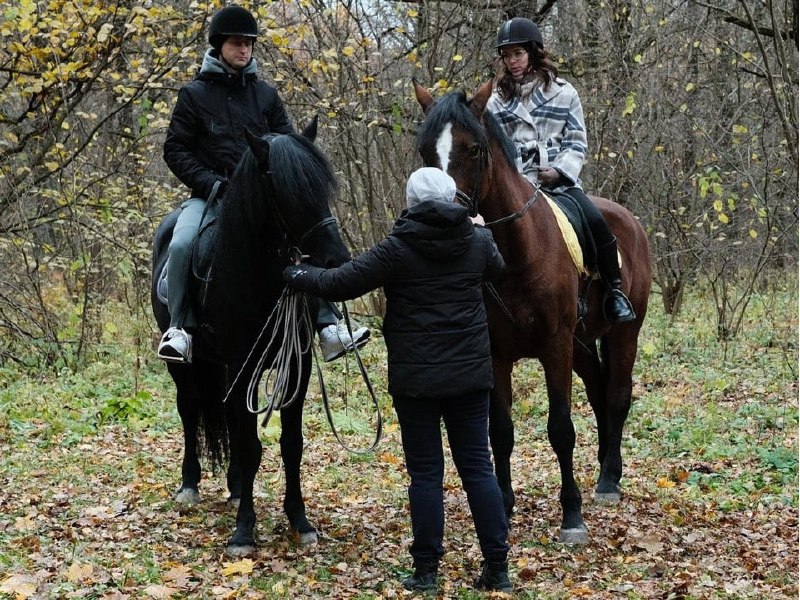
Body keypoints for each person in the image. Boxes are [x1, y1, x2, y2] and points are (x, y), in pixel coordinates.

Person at [282, 167, 512, 593]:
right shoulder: (477, 241)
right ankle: (497, 569)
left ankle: (426, 572)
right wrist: (483, 232)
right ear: (455, 199)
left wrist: (295, 274)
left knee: (425, 474)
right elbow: (497, 269)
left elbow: (336, 283)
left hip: (417, 381)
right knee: (479, 468)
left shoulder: (398, 248)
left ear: (410, 203)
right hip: (470, 377)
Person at [157, 4, 368, 363]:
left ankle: (328, 324)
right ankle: (180, 328)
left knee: (307, 238)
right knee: (180, 244)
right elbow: (175, 150)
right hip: (212, 197)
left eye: (249, 44)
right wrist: (211, 183)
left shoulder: (266, 95)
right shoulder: (193, 95)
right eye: (238, 43)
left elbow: (287, 145)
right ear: (219, 45)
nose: (245, 50)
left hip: (264, 199)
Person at [488, 16, 635, 324]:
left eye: (517, 53)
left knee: (595, 220)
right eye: (507, 55)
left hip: (557, 182)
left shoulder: (565, 93)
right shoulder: (495, 101)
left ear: (532, 52)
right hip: (517, 183)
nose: (512, 61)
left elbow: (577, 140)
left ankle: (614, 291)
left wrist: (560, 171)